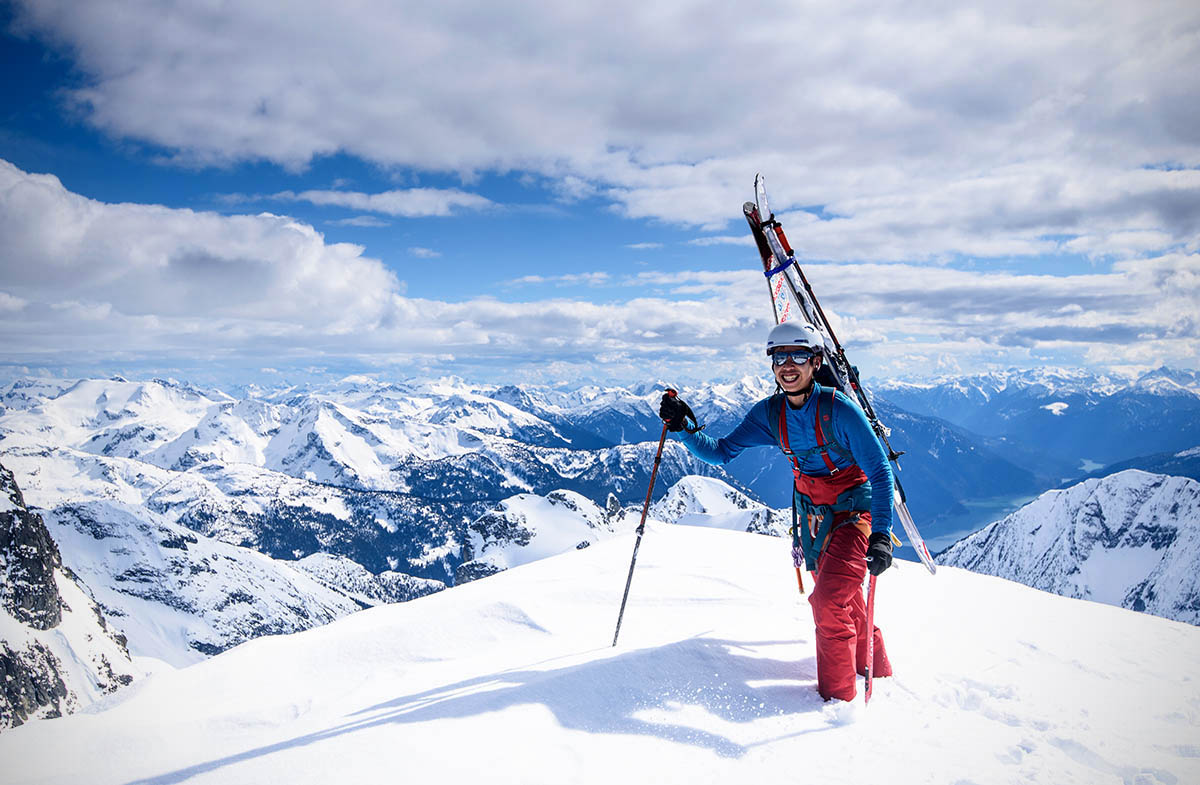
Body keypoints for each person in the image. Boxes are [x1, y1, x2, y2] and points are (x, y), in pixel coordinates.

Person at [659, 320, 894, 702]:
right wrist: (684, 428)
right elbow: (720, 453)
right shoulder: (770, 414)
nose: (788, 364)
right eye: (778, 356)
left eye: (798, 355)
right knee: (846, 599)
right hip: (814, 518)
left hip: (854, 514)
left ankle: (837, 701)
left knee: (830, 600)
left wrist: (881, 534)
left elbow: (880, 472)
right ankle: (876, 672)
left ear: (815, 361)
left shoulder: (841, 412)